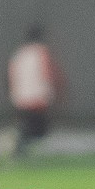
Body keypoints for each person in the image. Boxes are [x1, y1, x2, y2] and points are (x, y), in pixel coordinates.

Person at [7, 25, 62, 158]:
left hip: (21, 98)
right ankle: (23, 148)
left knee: (29, 126)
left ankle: (21, 147)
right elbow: (47, 72)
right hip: (38, 96)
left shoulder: (19, 54)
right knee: (38, 129)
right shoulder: (41, 52)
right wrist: (54, 91)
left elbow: (12, 73)